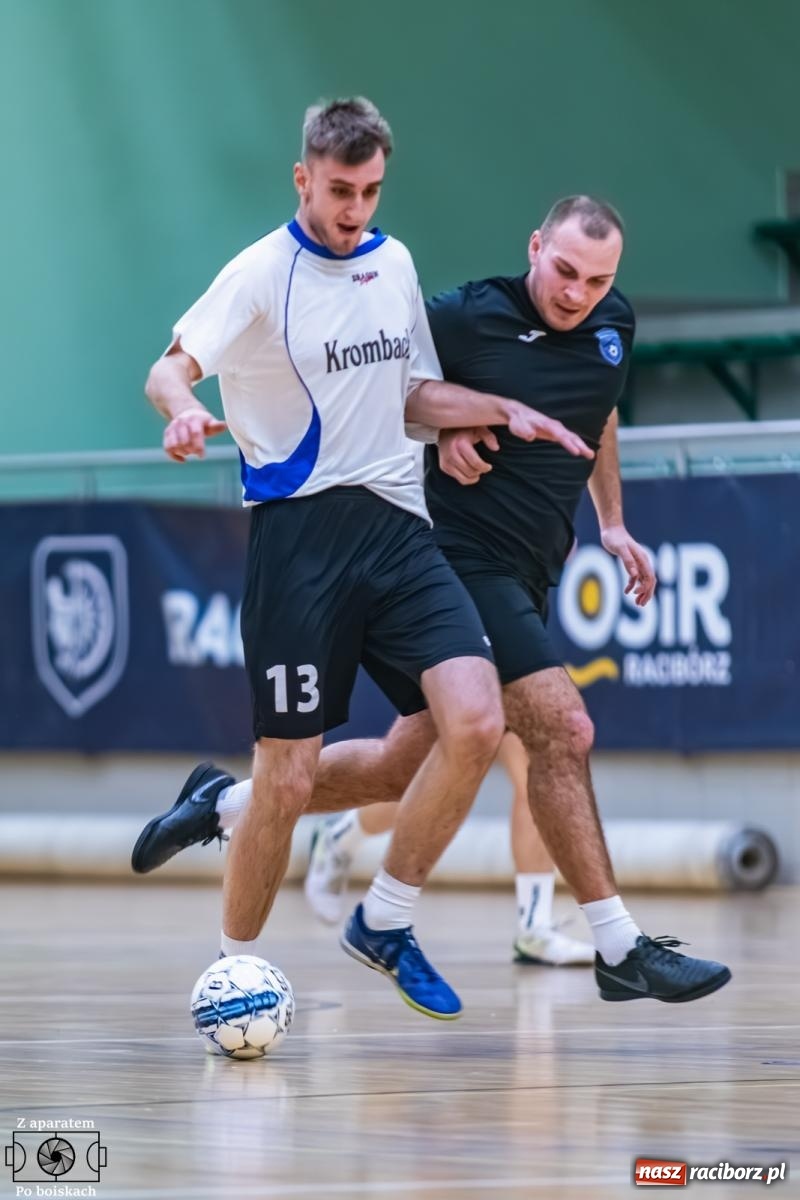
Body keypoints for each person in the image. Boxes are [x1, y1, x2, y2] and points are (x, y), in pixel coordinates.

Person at [135, 191, 732, 1005]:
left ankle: (222, 803)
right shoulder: (465, 317)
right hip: (455, 558)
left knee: (395, 767)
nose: (576, 293)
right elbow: (402, 391)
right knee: (562, 726)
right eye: (563, 271)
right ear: (534, 247)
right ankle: (609, 942)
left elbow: (600, 412)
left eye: (596, 280)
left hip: (533, 568)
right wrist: (447, 431)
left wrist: (614, 522)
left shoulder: (611, 325)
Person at [139, 98, 593, 1022]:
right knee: (293, 775)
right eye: (339, 189)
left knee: (467, 725)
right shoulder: (262, 275)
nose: (354, 208)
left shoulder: (394, 264)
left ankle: (382, 920)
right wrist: (181, 410)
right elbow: (170, 367)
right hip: (300, 542)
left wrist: (489, 416)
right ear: (304, 178)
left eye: (371, 189)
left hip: (397, 528)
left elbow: (414, 394)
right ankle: (234, 972)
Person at [304, 731, 595, 966]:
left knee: (536, 769)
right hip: (464, 666)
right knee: (439, 778)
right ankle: (340, 836)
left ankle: (535, 929)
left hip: (512, 664)